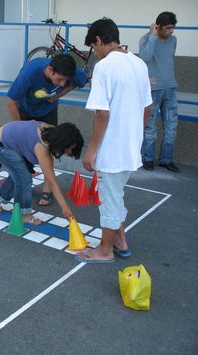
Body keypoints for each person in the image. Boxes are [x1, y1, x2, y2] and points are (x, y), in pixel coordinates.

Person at [76, 18, 152, 264]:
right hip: (130, 147)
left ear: (99, 40)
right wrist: (136, 137)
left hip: (112, 149)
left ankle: (105, 250)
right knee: (115, 194)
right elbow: (147, 109)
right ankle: (120, 241)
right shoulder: (138, 63)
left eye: (93, 47)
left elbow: (101, 113)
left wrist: (92, 150)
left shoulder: (105, 67)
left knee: (109, 199)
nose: (95, 53)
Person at [7, 54, 88, 207]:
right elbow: (12, 102)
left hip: (47, 111)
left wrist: (59, 94)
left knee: (50, 148)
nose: (63, 83)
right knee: (21, 151)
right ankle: (16, 184)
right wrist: (18, 130)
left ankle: (47, 189)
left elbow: (79, 81)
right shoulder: (29, 73)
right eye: (60, 80)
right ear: (50, 70)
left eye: (66, 80)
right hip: (25, 110)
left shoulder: (72, 72)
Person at [0, 121, 84, 224]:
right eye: (68, 148)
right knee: (24, 179)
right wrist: (65, 207)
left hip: (10, 138)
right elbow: (52, 181)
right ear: (62, 143)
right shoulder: (41, 147)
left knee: (19, 174)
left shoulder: (53, 132)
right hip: (0, 144)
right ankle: (23, 215)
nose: (69, 152)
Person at [139, 11, 180, 173]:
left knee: (171, 126)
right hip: (153, 90)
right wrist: (153, 37)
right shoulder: (146, 39)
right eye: (169, 28)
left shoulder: (173, 40)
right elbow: (145, 57)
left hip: (170, 88)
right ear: (158, 27)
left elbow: (169, 60)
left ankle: (166, 160)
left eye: (173, 28)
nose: (172, 31)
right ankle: (148, 159)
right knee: (150, 127)